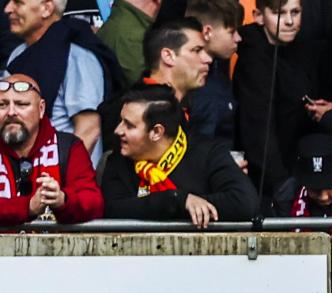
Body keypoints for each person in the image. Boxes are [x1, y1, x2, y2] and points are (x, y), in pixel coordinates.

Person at [98, 85, 257, 226]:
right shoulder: (119, 159)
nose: (118, 130)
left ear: (156, 132)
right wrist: (179, 200)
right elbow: (113, 209)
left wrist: (190, 204)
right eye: (121, 121)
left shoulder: (209, 153)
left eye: (129, 125)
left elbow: (244, 203)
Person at [0, 68, 104, 226]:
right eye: (2, 105)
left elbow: (94, 203)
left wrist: (62, 199)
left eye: (22, 104)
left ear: (41, 109)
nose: (11, 112)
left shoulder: (68, 147)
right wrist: (26, 207)